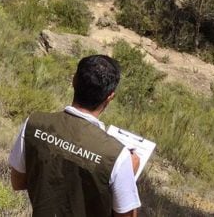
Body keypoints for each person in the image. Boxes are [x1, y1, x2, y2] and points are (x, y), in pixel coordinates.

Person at [8, 55, 141, 217]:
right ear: (110, 97)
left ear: (74, 81)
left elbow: (17, 182)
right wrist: (129, 177)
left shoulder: (34, 123)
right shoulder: (117, 156)